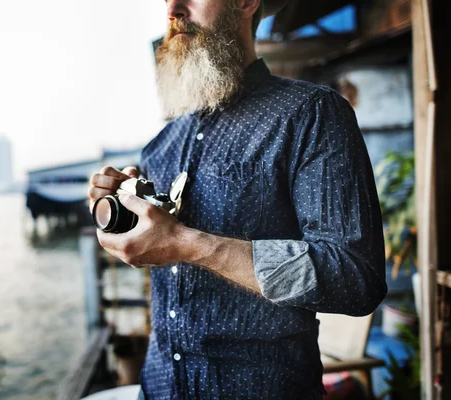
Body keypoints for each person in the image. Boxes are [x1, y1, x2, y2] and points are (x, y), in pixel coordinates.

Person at [87, 0, 388, 398]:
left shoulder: (311, 114)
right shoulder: (158, 148)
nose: (173, 8)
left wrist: (186, 244)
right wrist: (124, 212)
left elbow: (355, 278)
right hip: (158, 388)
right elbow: (158, 255)